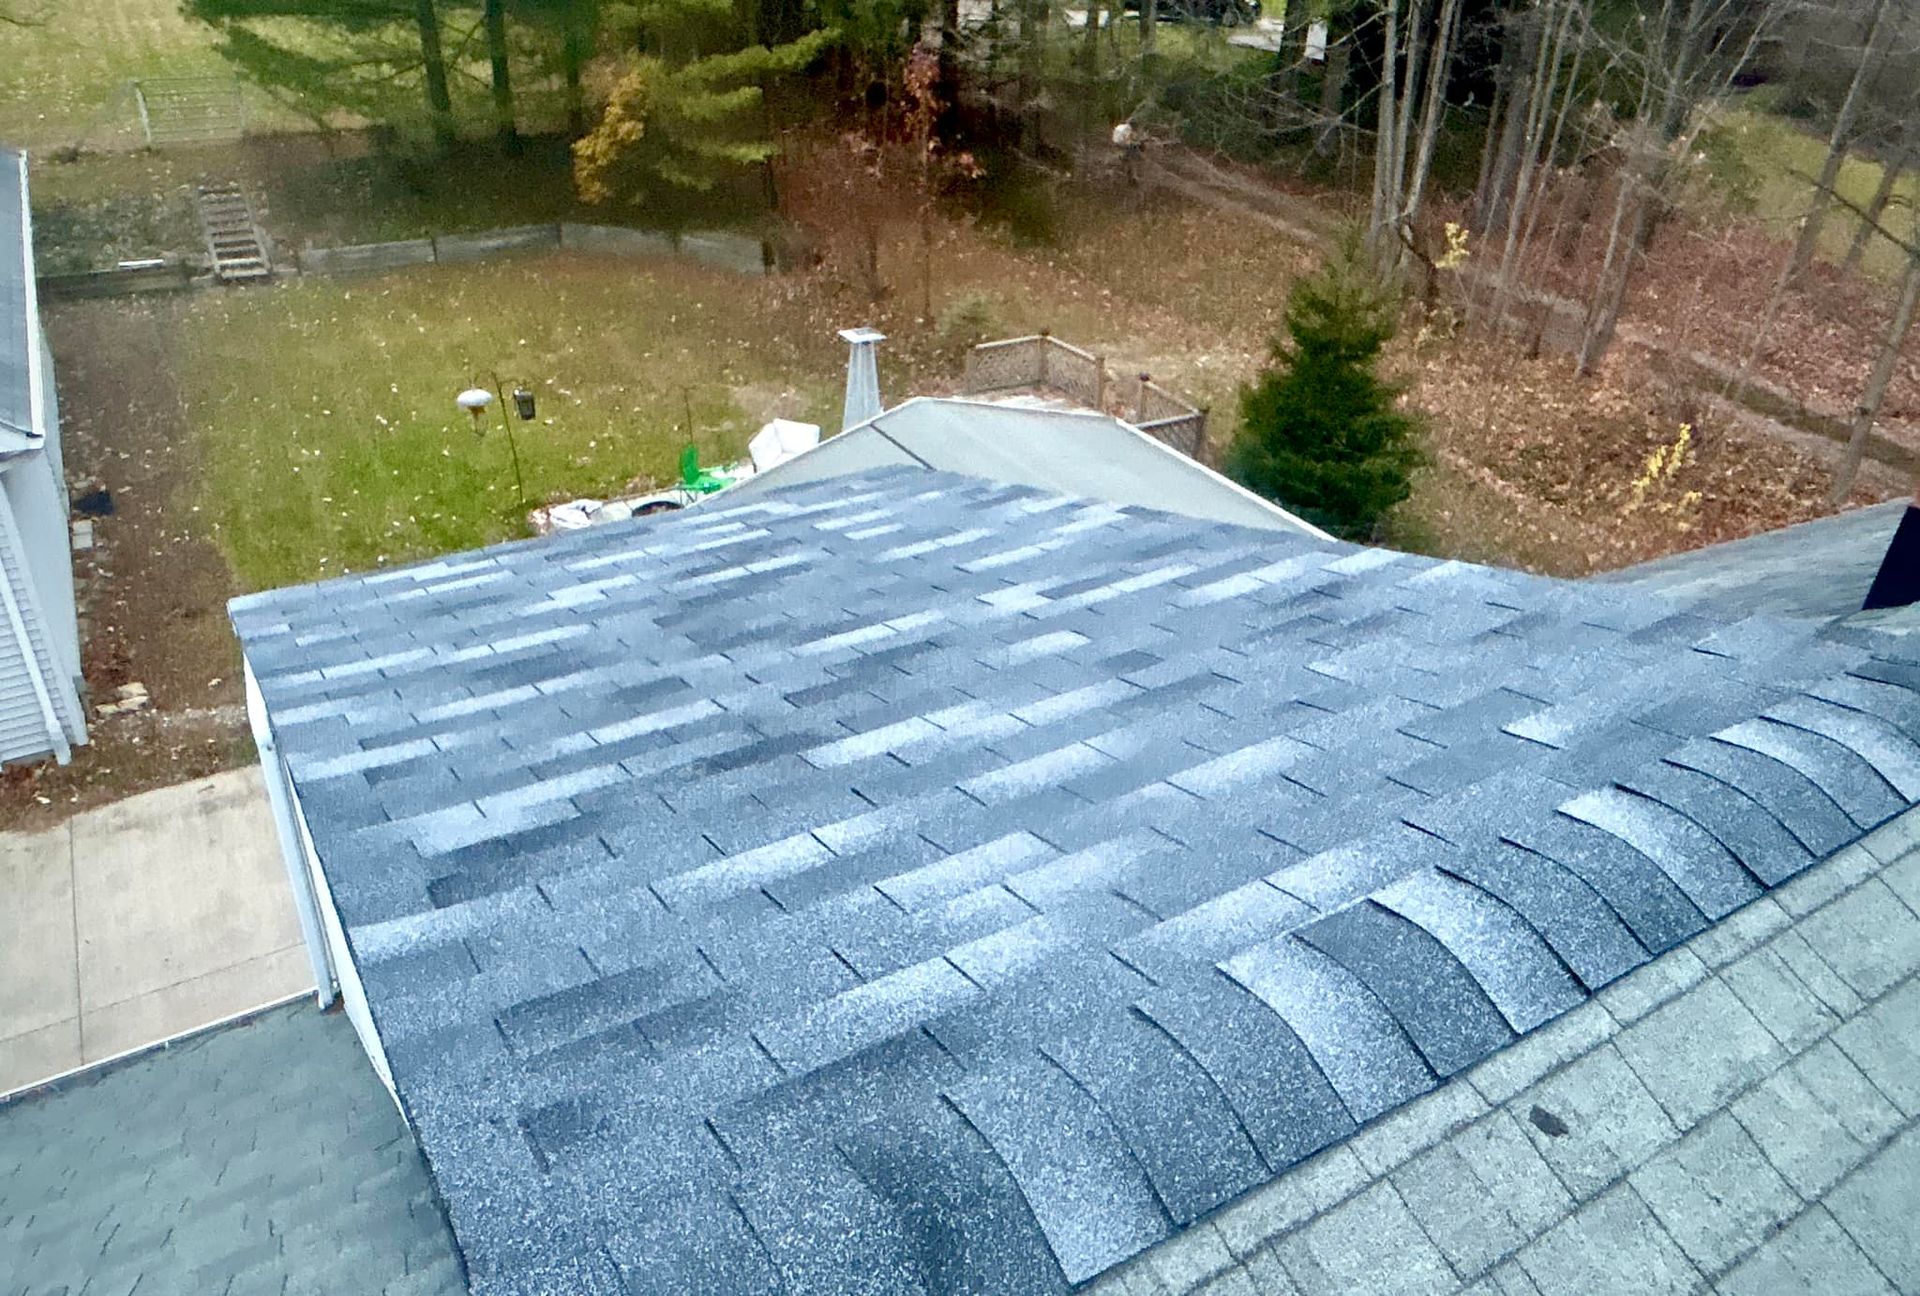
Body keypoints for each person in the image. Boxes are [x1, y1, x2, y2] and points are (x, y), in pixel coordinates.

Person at [1112, 120, 1144, 186]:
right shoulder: (1128, 130)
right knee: (1132, 161)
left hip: (1117, 146)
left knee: (1125, 162)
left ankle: (1129, 177)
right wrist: (1139, 144)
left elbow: (1116, 138)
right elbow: (1128, 142)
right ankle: (1133, 177)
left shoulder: (1120, 126)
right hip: (1125, 147)